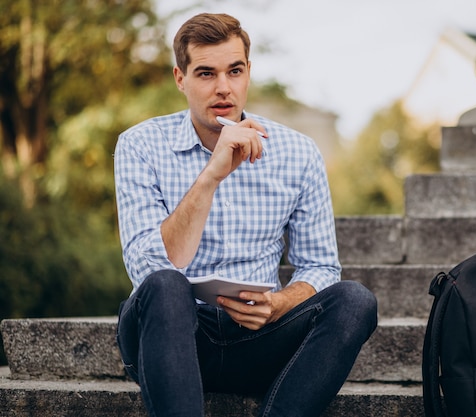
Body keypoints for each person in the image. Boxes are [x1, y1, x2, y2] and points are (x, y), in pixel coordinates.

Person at [114, 12, 378, 417]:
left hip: (259, 338)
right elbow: (149, 268)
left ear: (248, 72)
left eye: (234, 71)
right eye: (205, 73)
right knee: (167, 286)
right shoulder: (140, 145)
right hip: (170, 338)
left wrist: (279, 304)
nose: (223, 87)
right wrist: (211, 175)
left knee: (355, 301)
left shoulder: (297, 152)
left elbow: (321, 267)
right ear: (180, 78)